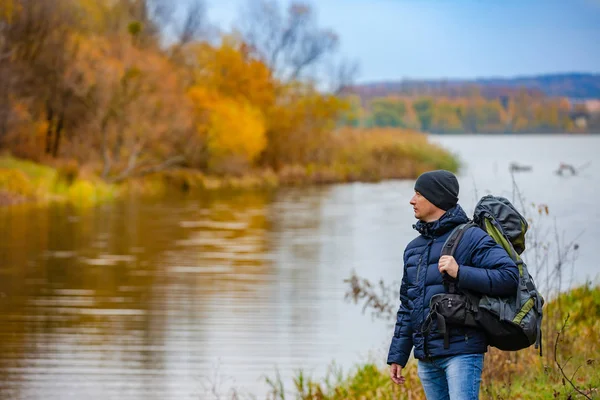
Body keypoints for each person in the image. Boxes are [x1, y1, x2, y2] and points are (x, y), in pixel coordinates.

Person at [387, 170, 519, 400]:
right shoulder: (413, 249)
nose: (412, 200)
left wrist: (461, 272)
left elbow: (509, 277)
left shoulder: (471, 237)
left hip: (462, 353)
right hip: (427, 357)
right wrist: (398, 354)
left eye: (418, 194)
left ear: (436, 198)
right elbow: (408, 305)